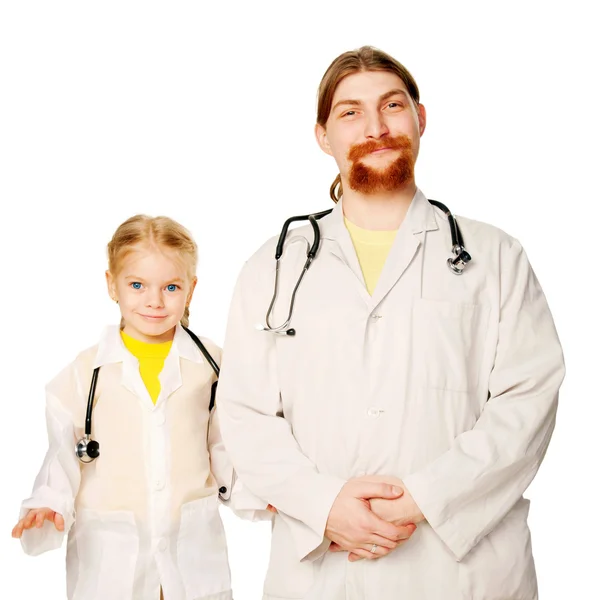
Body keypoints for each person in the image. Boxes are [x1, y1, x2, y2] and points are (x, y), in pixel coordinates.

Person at [216, 46, 565, 599]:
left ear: (420, 119)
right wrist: (324, 505)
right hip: (320, 568)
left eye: (392, 106)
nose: (375, 127)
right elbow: (244, 411)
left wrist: (423, 497)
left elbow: (528, 401)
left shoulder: (493, 257)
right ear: (322, 136)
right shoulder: (275, 266)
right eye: (350, 112)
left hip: (462, 573)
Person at [11, 215, 265, 600]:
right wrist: (47, 505)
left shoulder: (214, 366)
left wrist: (268, 493)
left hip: (191, 553)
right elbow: (63, 456)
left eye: (171, 287)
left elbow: (225, 449)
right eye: (137, 285)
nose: (155, 301)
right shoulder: (83, 374)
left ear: (191, 290)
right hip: (110, 559)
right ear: (111, 284)